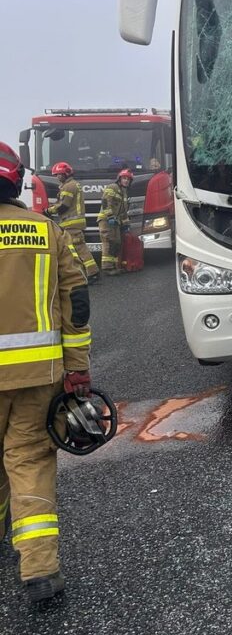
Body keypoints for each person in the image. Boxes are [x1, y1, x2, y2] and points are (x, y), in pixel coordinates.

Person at [0, 142, 91, 604]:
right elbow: (75, 300)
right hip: (38, 375)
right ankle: (39, 570)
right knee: (30, 462)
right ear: (17, 180)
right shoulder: (45, 230)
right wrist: (77, 368)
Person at [47, 162, 99, 283]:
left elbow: (64, 206)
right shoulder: (72, 184)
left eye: (59, 174)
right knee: (74, 249)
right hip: (73, 223)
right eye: (56, 175)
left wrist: (48, 211)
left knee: (80, 249)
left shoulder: (68, 186)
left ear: (66, 174)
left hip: (71, 223)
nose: (57, 177)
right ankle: (83, 273)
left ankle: (93, 273)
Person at [97, 169, 132, 275]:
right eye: (124, 178)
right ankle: (107, 268)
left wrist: (126, 224)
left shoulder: (124, 192)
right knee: (109, 242)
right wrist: (110, 216)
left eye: (128, 179)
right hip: (106, 220)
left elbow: (123, 212)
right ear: (119, 179)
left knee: (117, 243)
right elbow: (105, 202)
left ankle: (115, 266)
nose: (126, 181)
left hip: (116, 222)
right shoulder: (113, 187)